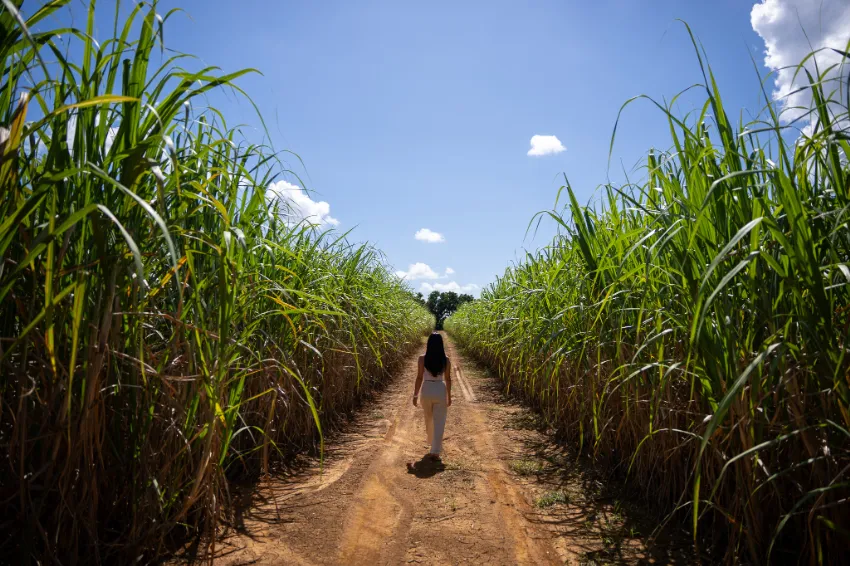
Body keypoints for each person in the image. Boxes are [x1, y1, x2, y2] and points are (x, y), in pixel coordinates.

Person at [412, 332, 452, 461]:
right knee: (439, 421)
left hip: (427, 389)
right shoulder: (446, 360)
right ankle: (435, 450)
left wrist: (415, 395)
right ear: (441, 344)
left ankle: (432, 443)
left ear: (428, 344)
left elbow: (419, 377)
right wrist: (449, 396)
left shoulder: (422, 359)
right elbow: (448, 379)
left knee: (428, 419)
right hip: (440, 388)